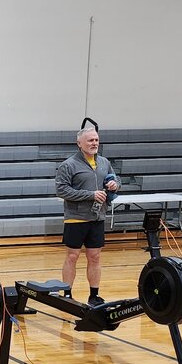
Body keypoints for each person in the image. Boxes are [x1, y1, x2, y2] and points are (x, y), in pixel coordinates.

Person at [55, 126, 119, 306]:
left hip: (97, 217)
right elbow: (61, 190)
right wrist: (90, 195)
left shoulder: (105, 162)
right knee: (72, 256)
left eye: (96, 140)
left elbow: (115, 179)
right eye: (90, 140)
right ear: (79, 143)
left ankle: (94, 295)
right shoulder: (68, 165)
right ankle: (67, 295)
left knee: (95, 256)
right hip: (76, 217)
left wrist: (115, 185)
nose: (94, 143)